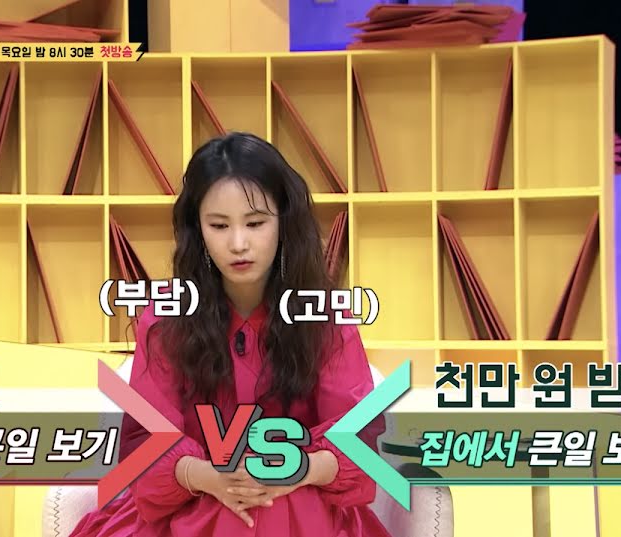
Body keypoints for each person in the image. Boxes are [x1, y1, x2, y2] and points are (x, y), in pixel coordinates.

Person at [70, 132, 390, 537]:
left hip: (303, 503)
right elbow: (145, 443)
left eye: (255, 223)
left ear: (284, 222)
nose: (239, 244)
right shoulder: (167, 318)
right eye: (219, 225)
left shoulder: (324, 316)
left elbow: (359, 439)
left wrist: (296, 469)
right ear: (198, 230)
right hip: (190, 504)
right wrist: (208, 477)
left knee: (275, 508)